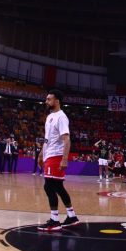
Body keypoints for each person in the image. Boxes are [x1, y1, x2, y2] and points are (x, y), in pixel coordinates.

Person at [38, 89, 80, 231]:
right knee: (57, 187)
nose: (46, 101)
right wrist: (40, 154)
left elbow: (67, 139)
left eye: (49, 99)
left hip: (56, 155)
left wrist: (64, 159)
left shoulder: (61, 117)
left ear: (57, 101)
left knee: (48, 186)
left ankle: (54, 220)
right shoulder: (50, 117)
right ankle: (72, 216)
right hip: (49, 154)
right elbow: (47, 139)